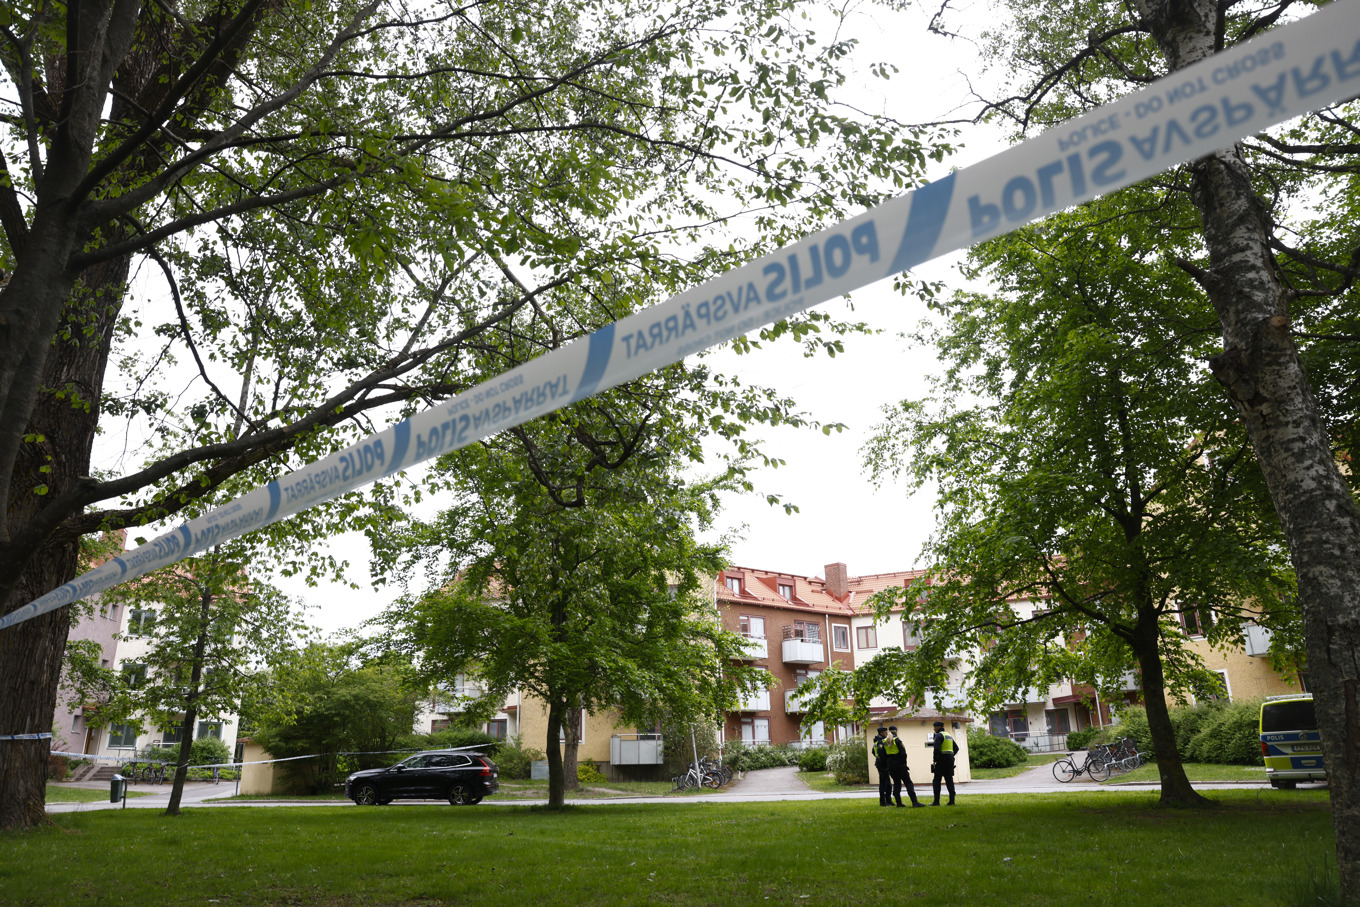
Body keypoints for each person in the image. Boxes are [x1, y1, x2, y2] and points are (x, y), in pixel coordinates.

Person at [886, 726, 924, 807]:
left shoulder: (884, 741)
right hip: (900, 765)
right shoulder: (897, 740)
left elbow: (883, 755)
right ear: (896, 731)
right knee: (908, 782)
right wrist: (904, 765)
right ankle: (914, 802)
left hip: (891, 767)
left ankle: (898, 803)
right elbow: (903, 754)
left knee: (897, 784)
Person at [926, 720, 957, 805]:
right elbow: (956, 748)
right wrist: (950, 755)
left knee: (936, 780)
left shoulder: (938, 736)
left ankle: (936, 801)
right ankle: (952, 801)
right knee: (949, 780)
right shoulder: (948, 735)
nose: (934, 729)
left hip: (941, 761)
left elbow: (936, 749)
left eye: (934, 727)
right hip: (950, 760)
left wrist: (935, 760)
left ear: (939, 727)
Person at [872, 727, 892, 806]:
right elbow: (880, 752)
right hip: (882, 764)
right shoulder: (880, 741)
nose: (886, 734)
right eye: (885, 732)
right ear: (881, 733)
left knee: (888, 783)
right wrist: (884, 760)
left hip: (881, 763)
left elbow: (873, 751)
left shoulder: (877, 741)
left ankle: (888, 800)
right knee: (883, 783)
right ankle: (883, 802)